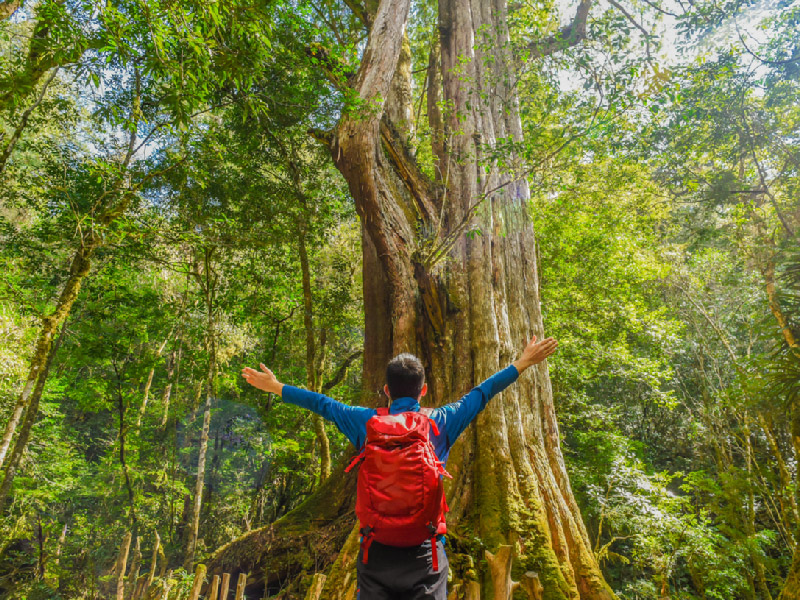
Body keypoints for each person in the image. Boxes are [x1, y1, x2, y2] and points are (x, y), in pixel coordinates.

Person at [241, 335, 558, 600]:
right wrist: (524, 361)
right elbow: (482, 392)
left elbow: (323, 403)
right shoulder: (440, 422)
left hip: (375, 552)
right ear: (423, 390)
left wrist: (277, 387)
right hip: (426, 554)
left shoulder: (366, 422)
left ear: (386, 390)